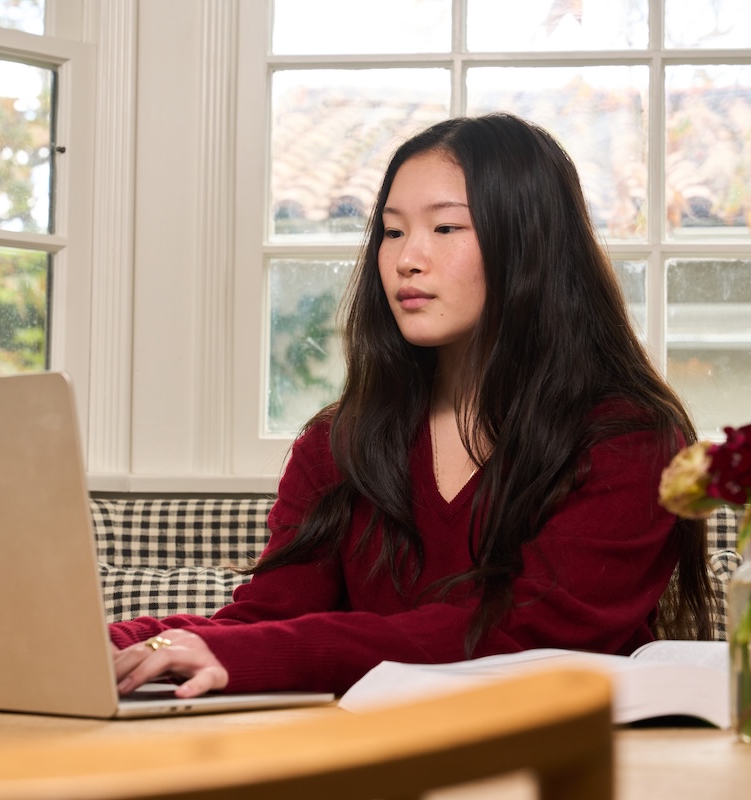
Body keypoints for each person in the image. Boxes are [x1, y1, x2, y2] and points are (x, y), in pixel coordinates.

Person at [110, 112, 715, 698]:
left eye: (445, 229)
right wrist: (117, 645)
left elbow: (522, 637)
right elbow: (269, 618)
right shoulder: (336, 444)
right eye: (393, 231)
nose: (405, 259)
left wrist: (255, 654)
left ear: (530, 245)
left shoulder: (628, 439)